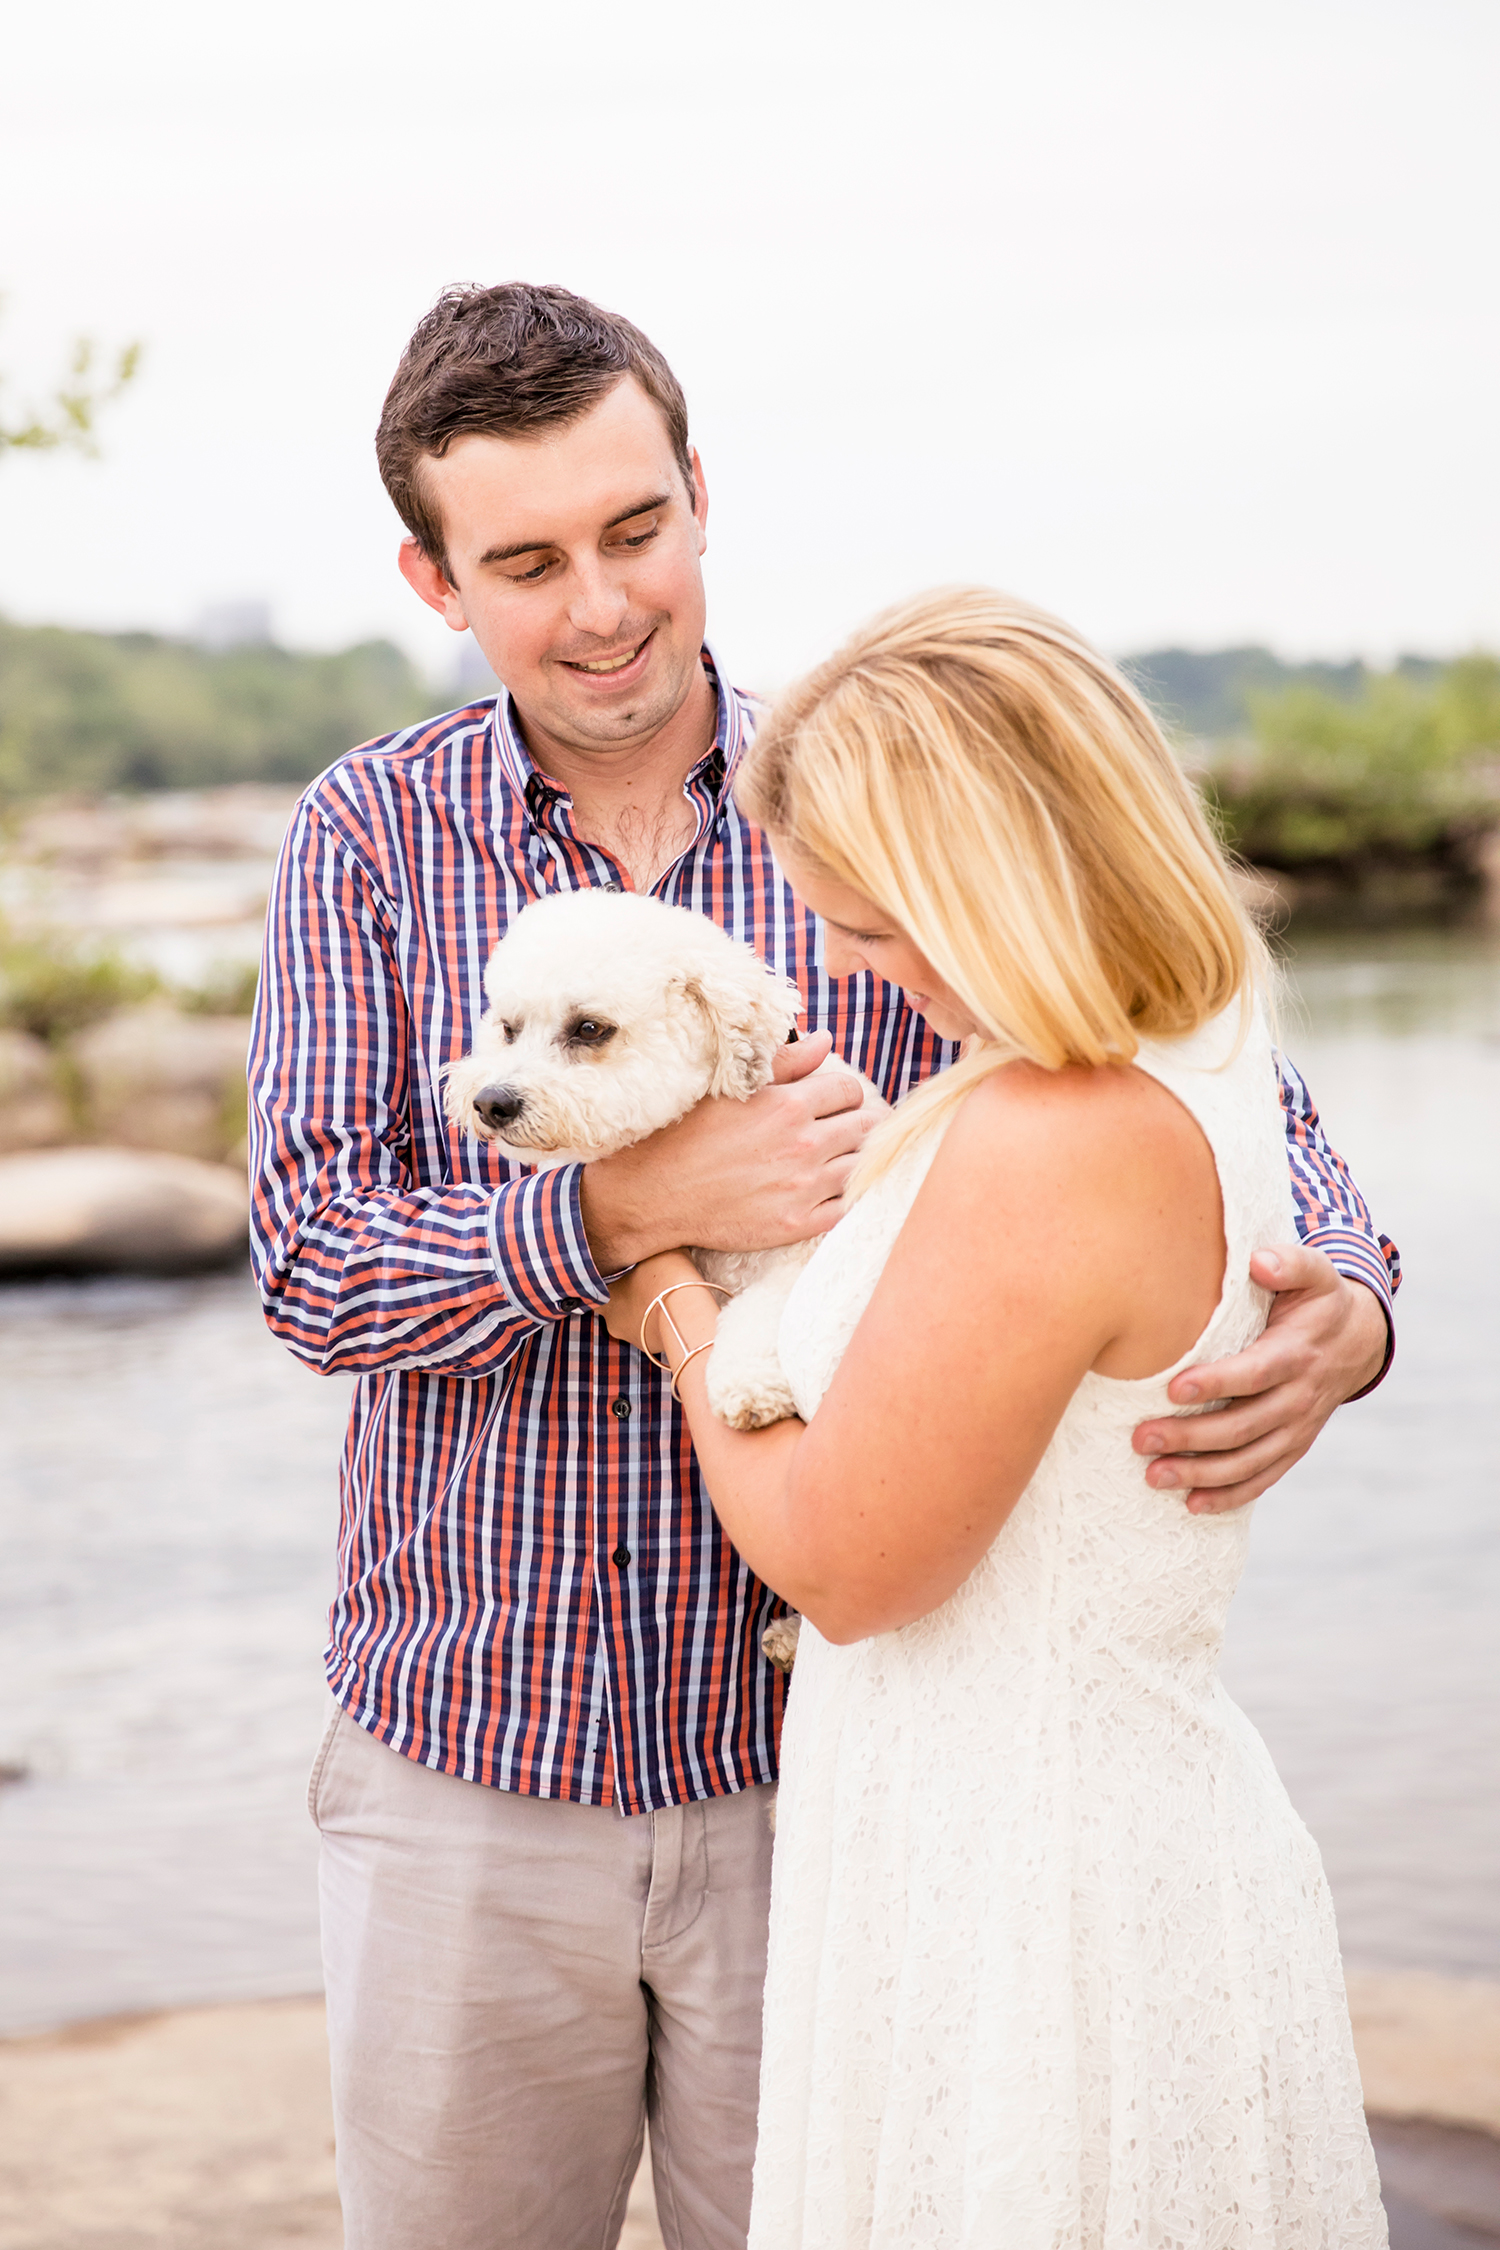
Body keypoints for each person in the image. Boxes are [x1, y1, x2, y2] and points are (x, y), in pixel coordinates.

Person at [247, 284, 1397, 2250]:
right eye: (526, 562)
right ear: (434, 576)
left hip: (835, 1779)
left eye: (635, 531)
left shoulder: (878, 791)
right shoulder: (364, 836)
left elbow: (1239, 1108)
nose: (602, 604)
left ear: (699, 496)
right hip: (469, 1760)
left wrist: (1353, 1314)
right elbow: (311, 1262)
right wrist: (632, 1207)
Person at [603, 588, 1388, 2246]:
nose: (840, 965)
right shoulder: (1179, 1057)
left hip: (1040, 1895)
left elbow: (842, 1559)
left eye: (876, 929)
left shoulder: (1054, 1134)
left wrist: (669, 1293)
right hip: (1015, 1833)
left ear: (1006, 886)